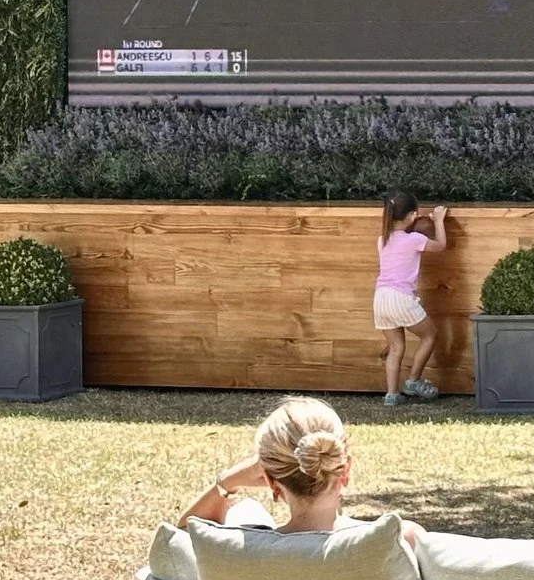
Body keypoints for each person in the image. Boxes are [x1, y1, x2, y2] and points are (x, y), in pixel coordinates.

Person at [176, 396, 357, 532]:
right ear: (345, 470)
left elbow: (182, 535)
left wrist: (227, 482)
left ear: (271, 482)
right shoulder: (379, 547)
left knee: (246, 509)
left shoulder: (236, 550)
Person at [375, 192, 448, 406]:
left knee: (396, 348)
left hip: (381, 298)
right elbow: (441, 246)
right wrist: (438, 221)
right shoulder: (414, 240)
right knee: (430, 335)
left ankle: (391, 395)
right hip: (401, 297)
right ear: (413, 215)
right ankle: (413, 380)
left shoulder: (382, 240)